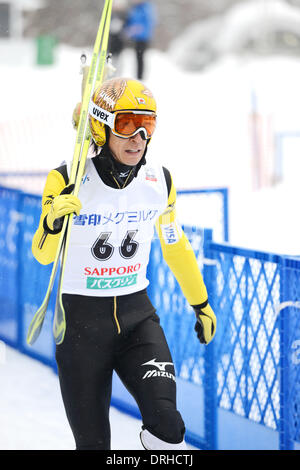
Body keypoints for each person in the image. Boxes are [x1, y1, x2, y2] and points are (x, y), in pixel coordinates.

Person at [31, 76, 217, 450]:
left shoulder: (159, 181)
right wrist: (53, 220)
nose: (138, 138)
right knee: (94, 445)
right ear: (101, 128)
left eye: (147, 126)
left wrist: (202, 304)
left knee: (168, 429)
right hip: (82, 330)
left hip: (137, 322)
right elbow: (43, 254)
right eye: (127, 124)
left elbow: (175, 246)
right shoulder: (67, 177)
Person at [124, 0, 156, 79]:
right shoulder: (135, 8)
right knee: (135, 56)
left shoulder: (146, 7)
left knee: (140, 56)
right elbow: (130, 20)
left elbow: (149, 22)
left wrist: (138, 29)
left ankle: (140, 77)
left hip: (143, 38)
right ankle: (137, 76)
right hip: (134, 37)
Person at [108, 0, 128, 74]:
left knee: (118, 60)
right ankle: (109, 73)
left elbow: (127, 27)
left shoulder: (124, 15)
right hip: (110, 42)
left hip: (119, 42)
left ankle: (118, 74)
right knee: (110, 58)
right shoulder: (110, 14)